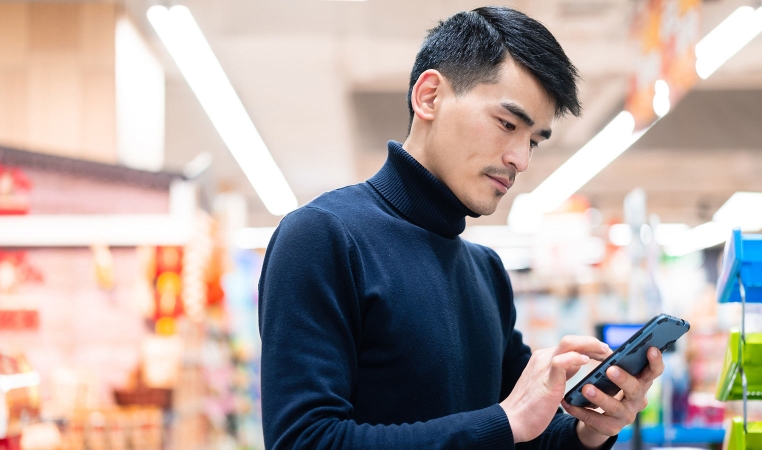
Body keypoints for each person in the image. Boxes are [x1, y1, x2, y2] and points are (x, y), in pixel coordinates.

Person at [258, 6, 664, 449]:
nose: (520, 160)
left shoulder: (486, 271)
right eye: (507, 124)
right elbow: (305, 440)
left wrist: (588, 429)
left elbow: (526, 433)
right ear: (429, 96)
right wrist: (504, 422)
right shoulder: (321, 237)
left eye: (532, 141)